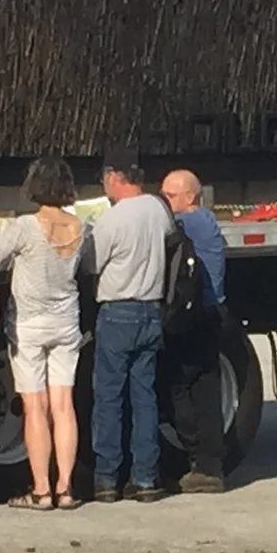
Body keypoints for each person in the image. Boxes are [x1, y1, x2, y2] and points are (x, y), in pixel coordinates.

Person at [0, 157, 90, 511]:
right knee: (64, 406)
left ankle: (41, 489)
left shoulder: (26, 226)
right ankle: (66, 488)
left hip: (29, 324)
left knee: (35, 407)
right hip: (66, 322)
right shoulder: (80, 227)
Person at [87, 145, 172, 502]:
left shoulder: (112, 219)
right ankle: (146, 479)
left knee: (108, 398)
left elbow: (89, 264)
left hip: (117, 309)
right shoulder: (158, 209)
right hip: (151, 310)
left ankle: (107, 478)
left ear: (115, 177)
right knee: (145, 397)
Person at [159, 167, 230, 492]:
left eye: (169, 196)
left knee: (178, 386)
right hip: (211, 312)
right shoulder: (206, 221)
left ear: (190, 196)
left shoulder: (191, 222)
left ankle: (198, 456)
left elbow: (156, 231)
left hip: (194, 316)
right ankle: (210, 466)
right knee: (206, 388)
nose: (164, 202)